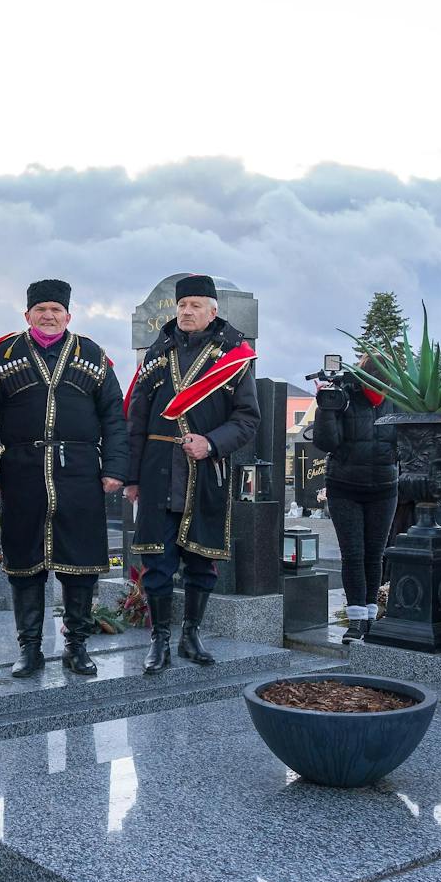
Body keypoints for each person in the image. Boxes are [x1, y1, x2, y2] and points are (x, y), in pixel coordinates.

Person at [0, 280, 129, 679]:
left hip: (77, 471)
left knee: (80, 563)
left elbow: (113, 414)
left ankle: (77, 645)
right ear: (27, 315)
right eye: (40, 309)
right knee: (24, 563)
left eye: (55, 310)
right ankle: (29, 648)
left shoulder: (92, 354)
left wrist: (114, 468)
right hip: (22, 471)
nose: (48, 315)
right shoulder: (4, 356)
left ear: (68, 316)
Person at [125, 275, 259, 674]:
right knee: (157, 562)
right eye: (182, 305)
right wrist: (131, 477)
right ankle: (160, 639)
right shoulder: (157, 354)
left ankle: (191, 634)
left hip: (205, 471)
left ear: (213, 311)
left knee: (201, 560)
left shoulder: (232, 358)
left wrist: (211, 443)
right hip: (157, 471)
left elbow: (248, 419)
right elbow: (136, 418)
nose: (186, 311)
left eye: (195, 305)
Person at [311, 355, 399, 641]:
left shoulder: (397, 399)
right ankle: (357, 620)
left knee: (374, 553)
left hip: (384, 487)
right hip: (345, 485)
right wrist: (325, 408)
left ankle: (370, 618)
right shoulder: (343, 395)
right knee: (353, 554)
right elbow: (327, 442)